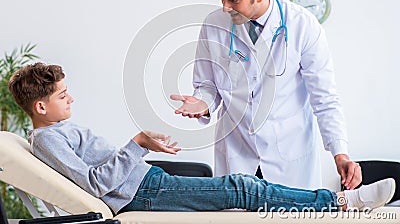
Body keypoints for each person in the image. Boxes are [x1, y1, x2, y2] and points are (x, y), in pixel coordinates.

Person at [8, 62, 395, 215]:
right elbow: (93, 184)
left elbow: (103, 172)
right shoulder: (46, 141)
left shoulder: (57, 131)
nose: (71, 97)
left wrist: (144, 149)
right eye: (61, 95)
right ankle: (342, 202)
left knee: (241, 189)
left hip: (148, 182)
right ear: (40, 107)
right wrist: (138, 143)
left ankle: (339, 202)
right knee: (243, 189)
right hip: (142, 193)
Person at [171, 0, 361, 190]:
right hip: (237, 154)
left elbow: (324, 98)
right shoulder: (213, 25)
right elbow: (207, 85)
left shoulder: (302, 25)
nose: (225, 7)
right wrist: (202, 104)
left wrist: (340, 152)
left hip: (289, 158)